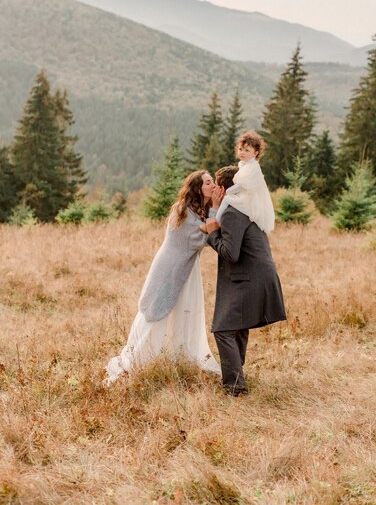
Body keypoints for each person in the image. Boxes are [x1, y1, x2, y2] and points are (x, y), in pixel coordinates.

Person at [105, 170, 221, 384]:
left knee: (183, 312)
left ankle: (177, 357)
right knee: (157, 311)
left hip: (186, 270)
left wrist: (213, 208)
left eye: (212, 181)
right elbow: (205, 233)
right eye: (207, 182)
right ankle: (138, 360)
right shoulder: (181, 211)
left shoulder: (200, 211)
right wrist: (215, 206)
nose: (212, 185)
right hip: (169, 270)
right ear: (197, 187)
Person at [206, 165, 286, 396]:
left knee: (223, 329)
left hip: (249, 278)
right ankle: (237, 377)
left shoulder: (232, 213)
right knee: (237, 328)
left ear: (222, 189)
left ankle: (235, 388)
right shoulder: (245, 208)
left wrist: (212, 234)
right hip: (257, 276)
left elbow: (231, 253)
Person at [200, 130, 275, 234]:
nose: (242, 152)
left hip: (250, 199)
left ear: (255, 153)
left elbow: (243, 185)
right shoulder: (244, 164)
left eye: (247, 150)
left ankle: (215, 222)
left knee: (227, 199)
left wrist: (229, 191)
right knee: (228, 199)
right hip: (245, 195)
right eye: (240, 149)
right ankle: (216, 222)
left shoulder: (253, 167)